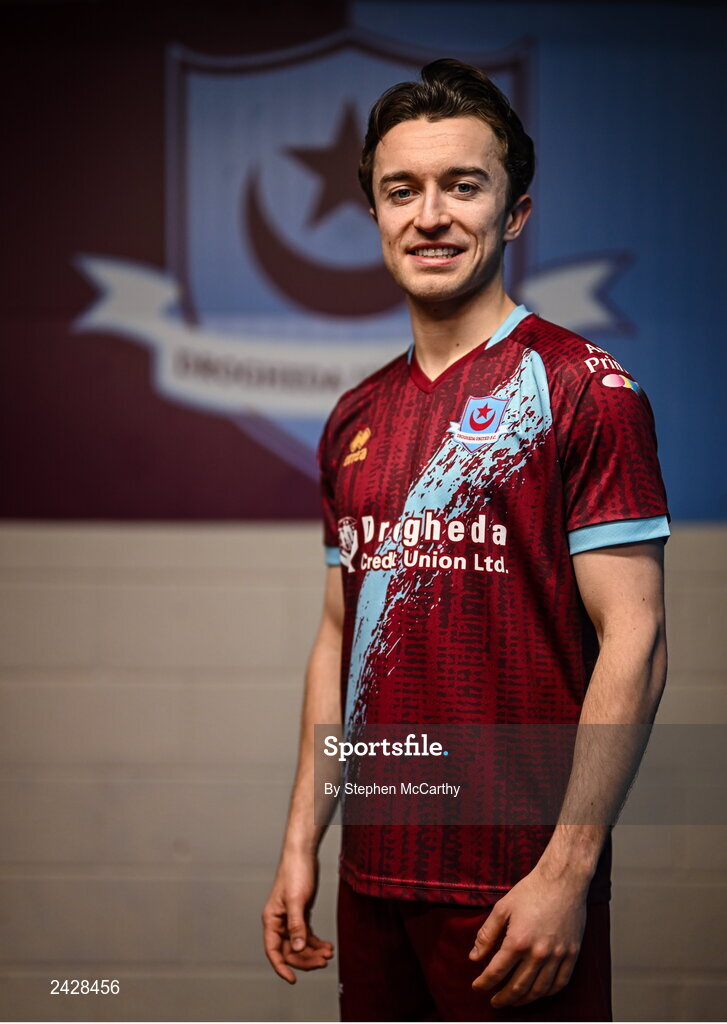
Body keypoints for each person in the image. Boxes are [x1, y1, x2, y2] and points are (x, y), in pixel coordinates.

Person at [262, 58, 669, 1022]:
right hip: (373, 876)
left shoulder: (581, 389)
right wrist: (299, 841)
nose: (430, 214)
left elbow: (636, 643)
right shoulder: (353, 415)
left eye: (462, 185)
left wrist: (565, 874)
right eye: (401, 190)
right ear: (373, 215)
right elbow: (337, 636)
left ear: (514, 212)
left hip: (512, 895)